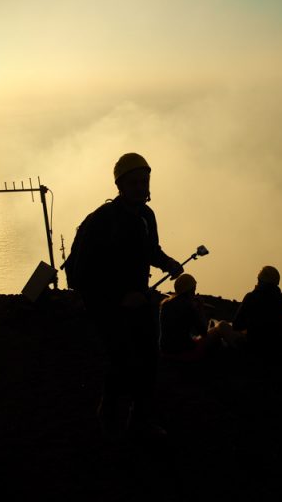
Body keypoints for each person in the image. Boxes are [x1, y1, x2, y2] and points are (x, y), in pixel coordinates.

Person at [69, 153, 183, 440]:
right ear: (120, 186)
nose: (141, 187)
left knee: (147, 359)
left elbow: (150, 250)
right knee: (122, 360)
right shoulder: (101, 221)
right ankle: (108, 414)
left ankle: (139, 419)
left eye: (144, 181)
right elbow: (82, 272)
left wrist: (167, 262)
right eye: (134, 182)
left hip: (139, 301)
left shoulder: (146, 216)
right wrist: (119, 298)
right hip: (109, 306)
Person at [159, 273, 231, 362]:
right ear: (190, 290)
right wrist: (200, 309)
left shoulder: (165, 304)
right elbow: (203, 332)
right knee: (220, 327)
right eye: (194, 289)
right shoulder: (188, 306)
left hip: (166, 350)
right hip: (184, 352)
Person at [232, 265, 282, 358]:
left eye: (258, 280)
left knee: (221, 325)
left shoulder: (251, 297)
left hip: (253, 346)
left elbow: (236, 325)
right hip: (276, 348)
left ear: (261, 281)